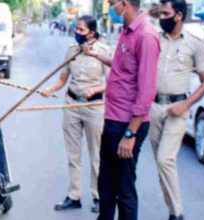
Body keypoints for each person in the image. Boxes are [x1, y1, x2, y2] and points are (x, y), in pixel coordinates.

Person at [83, 0, 160, 219]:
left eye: (111, 3)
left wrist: (130, 133)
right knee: (106, 183)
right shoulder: (127, 32)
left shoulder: (146, 36)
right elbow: (121, 66)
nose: (110, 7)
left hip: (127, 124)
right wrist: (95, 55)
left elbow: (146, 91)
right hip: (113, 119)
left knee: (124, 188)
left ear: (124, 4)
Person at [42, 15, 110, 213]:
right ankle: (74, 196)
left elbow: (111, 83)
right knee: (73, 155)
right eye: (76, 29)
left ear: (92, 33)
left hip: (94, 107)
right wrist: (49, 89)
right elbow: (63, 79)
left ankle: (98, 196)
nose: (76, 33)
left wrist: (96, 90)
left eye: (81, 30)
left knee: (96, 154)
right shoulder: (72, 50)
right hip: (71, 105)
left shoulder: (103, 52)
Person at [150, 1, 204, 219]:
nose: (161, 17)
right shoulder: (155, 39)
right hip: (155, 107)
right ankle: (172, 212)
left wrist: (185, 104)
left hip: (178, 108)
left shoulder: (194, 43)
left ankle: (177, 214)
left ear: (179, 16)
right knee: (161, 165)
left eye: (166, 13)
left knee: (165, 160)